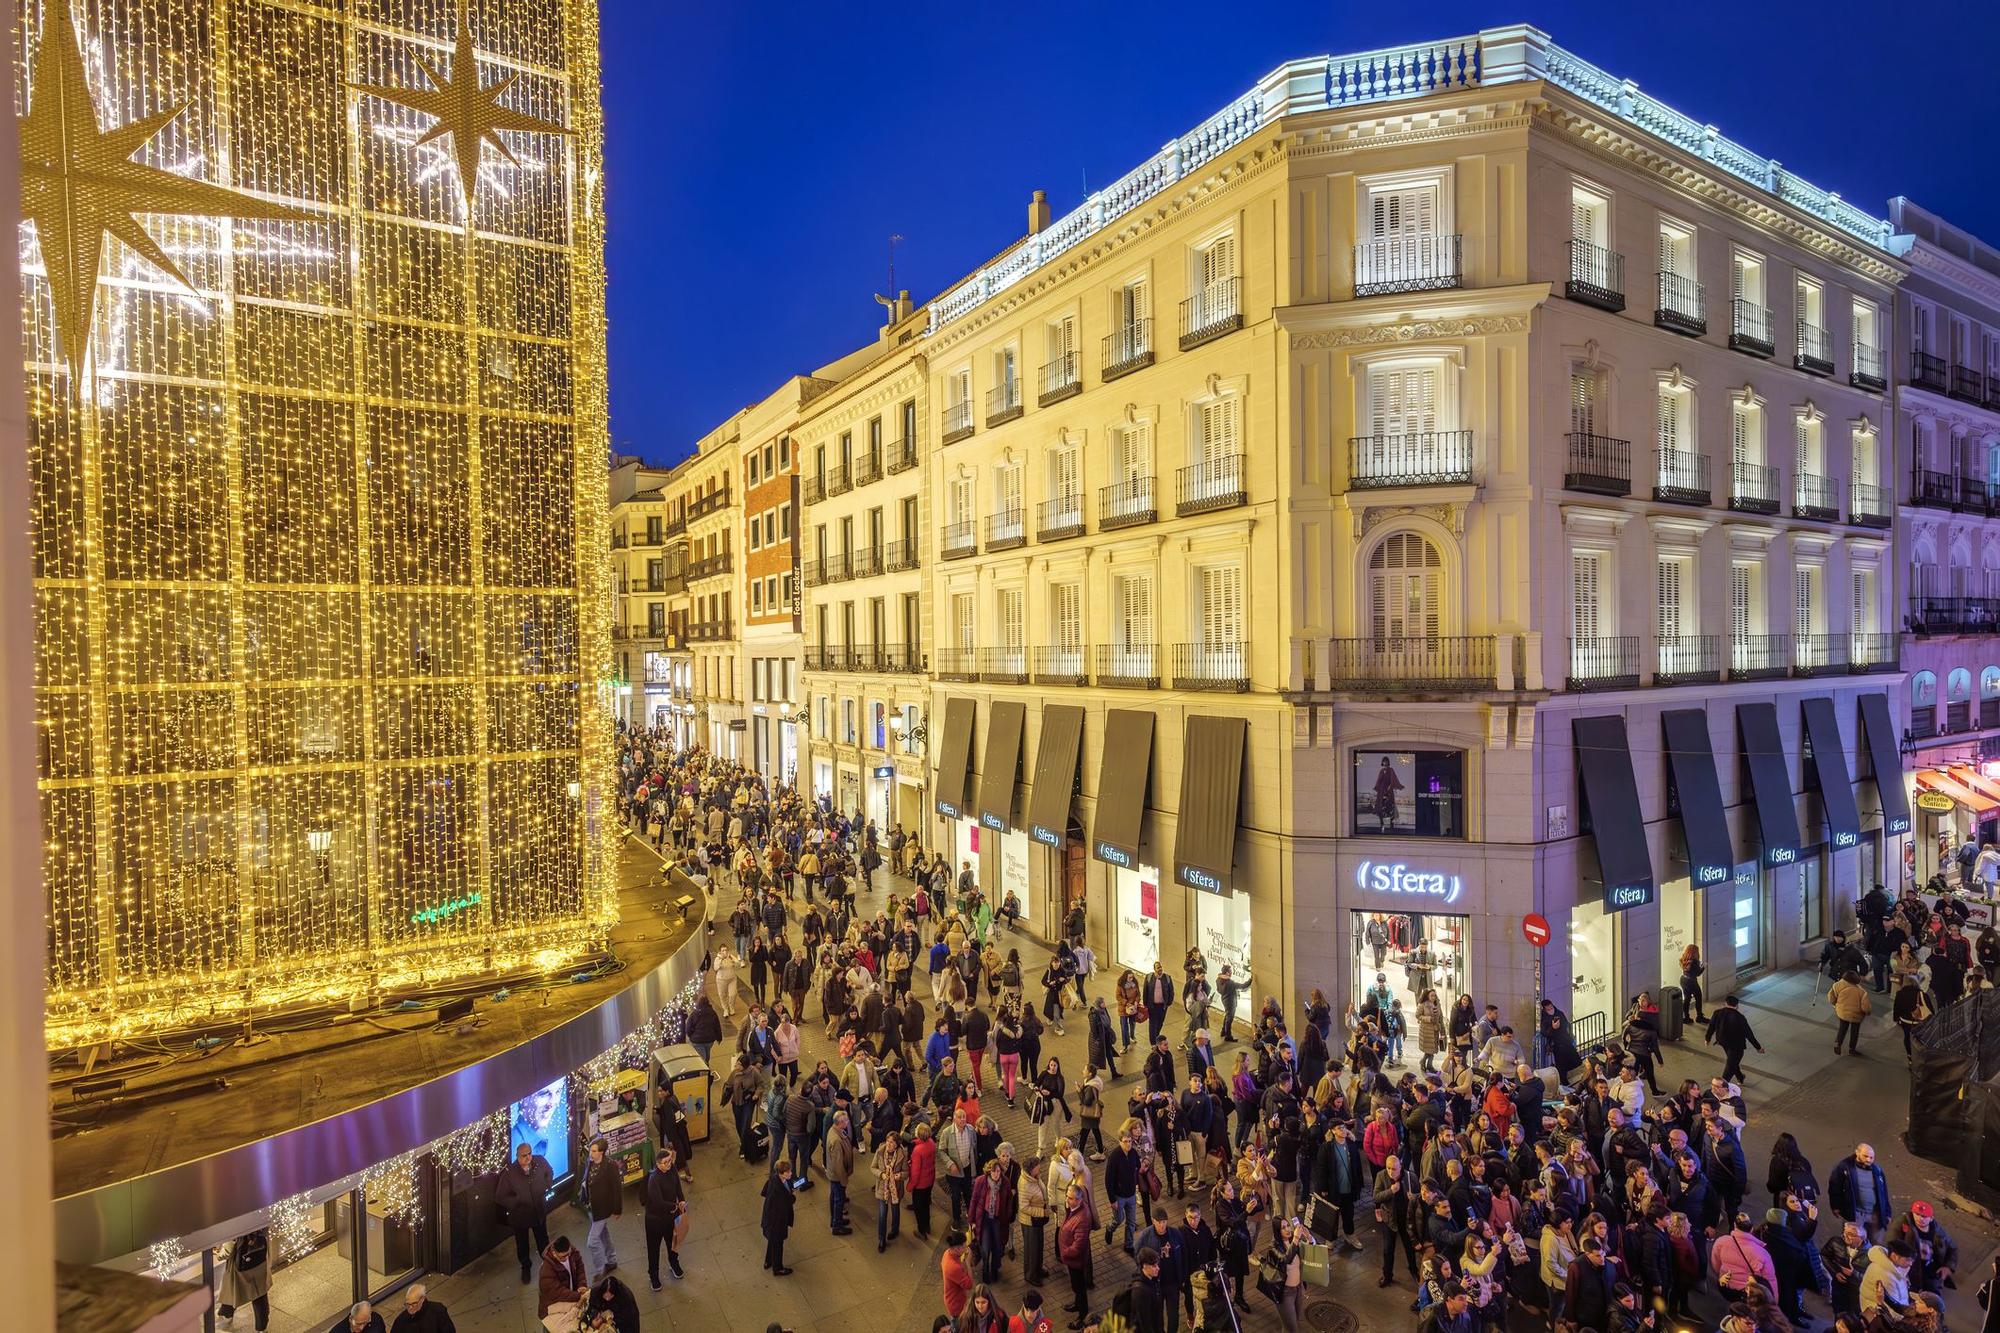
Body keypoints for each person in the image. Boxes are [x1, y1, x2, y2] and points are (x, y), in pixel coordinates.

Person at [496, 1142, 555, 1283]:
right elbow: (500, 1196)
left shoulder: (539, 1161)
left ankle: (549, 1265)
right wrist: (517, 1201)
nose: (528, 1157)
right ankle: (526, 1267)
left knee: (543, 1240)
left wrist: (547, 1185)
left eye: (529, 1153)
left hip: (538, 1211)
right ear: (517, 1156)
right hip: (520, 1216)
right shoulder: (510, 1172)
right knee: (522, 1243)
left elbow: (549, 1171)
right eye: (524, 1155)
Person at [642, 1146, 687, 1288]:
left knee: (673, 1243)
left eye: (670, 1161)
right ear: (658, 1164)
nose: (669, 1164)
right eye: (665, 1162)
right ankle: (653, 1275)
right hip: (655, 1220)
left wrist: (681, 1199)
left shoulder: (672, 1169)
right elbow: (658, 1202)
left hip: (671, 1217)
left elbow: (677, 1186)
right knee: (654, 1248)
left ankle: (674, 1264)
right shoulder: (654, 1179)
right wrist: (674, 1206)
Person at [1829, 1143, 1893, 1244]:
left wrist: (1887, 1212)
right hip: (1855, 1213)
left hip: (1875, 1214)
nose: (1869, 1160)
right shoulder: (1845, 1167)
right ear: (1857, 1152)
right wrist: (1835, 1206)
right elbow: (1835, 1187)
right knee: (1853, 1242)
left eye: (1871, 1157)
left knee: (1876, 1243)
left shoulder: (1877, 1170)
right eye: (1865, 1156)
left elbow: (1883, 1193)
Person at [581, 1137, 623, 1279]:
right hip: (592, 1207)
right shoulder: (590, 1162)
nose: (590, 1154)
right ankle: (612, 1260)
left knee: (592, 1241)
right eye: (590, 1150)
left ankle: (600, 1270)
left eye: (594, 1151)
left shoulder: (610, 1166)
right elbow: (587, 1179)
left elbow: (617, 1189)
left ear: (602, 1152)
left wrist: (617, 1209)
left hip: (603, 1209)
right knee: (603, 1233)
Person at [217, 1229, 271, 1332]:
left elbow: (228, 1248)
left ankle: (226, 1315)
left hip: (240, 1262)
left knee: (233, 1289)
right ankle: (262, 1327)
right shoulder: (259, 1215)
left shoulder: (236, 1220)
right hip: (260, 1257)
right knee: (260, 1293)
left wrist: (219, 1254)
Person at [1705, 994, 1765, 1083]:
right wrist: (1758, 1047)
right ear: (1737, 1006)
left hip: (1723, 1042)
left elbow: (1711, 1026)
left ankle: (1740, 1077)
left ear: (1725, 1003)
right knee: (1730, 1065)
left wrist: (1708, 1038)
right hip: (1736, 1046)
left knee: (1732, 1061)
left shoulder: (1717, 1013)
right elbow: (1749, 1034)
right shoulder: (1740, 1017)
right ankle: (1722, 1085)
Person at [760, 1159, 797, 1275]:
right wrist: (792, 1195)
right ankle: (778, 1268)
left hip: (770, 1220)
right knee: (778, 1244)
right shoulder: (778, 1191)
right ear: (781, 1173)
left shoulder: (774, 1179)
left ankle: (768, 1261)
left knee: (772, 1241)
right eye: (788, 1172)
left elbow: (764, 1192)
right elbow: (787, 1201)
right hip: (776, 1222)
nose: (791, 1173)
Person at [538, 1236, 587, 1320]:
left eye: (568, 1253)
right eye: (563, 1256)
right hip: (554, 1306)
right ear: (554, 1253)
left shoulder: (573, 1252)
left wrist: (581, 1284)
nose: (567, 1258)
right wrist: (578, 1296)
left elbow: (580, 1269)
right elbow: (558, 1292)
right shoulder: (546, 1272)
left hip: (571, 1296)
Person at [1830, 970, 1873, 1055]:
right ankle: (1851, 1049)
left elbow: (1831, 998)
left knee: (1842, 1029)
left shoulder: (1837, 986)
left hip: (1842, 1012)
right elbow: (1866, 1007)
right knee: (1854, 1032)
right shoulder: (1862, 992)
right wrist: (1868, 1013)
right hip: (1856, 1015)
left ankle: (1837, 1044)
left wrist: (1835, 1005)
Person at [387, 1285, 454, 1333]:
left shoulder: (438, 1311)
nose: (410, 1307)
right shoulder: (400, 1320)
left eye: (414, 1304)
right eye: (407, 1304)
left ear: (422, 1300)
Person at [943, 1228, 976, 1320]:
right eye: (964, 1247)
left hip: (951, 1300)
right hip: (957, 1306)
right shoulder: (953, 1267)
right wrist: (968, 1263)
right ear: (957, 1248)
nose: (966, 1249)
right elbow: (969, 1285)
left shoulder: (947, 1253)